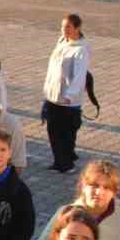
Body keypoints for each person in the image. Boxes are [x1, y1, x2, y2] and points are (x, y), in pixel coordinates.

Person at [42, 14, 91, 173]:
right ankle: (59, 161)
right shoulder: (62, 41)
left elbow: (79, 75)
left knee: (66, 133)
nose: (64, 30)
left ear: (77, 28)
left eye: (68, 27)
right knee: (53, 131)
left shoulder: (81, 49)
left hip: (67, 100)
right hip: (53, 96)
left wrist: (70, 95)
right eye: (63, 27)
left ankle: (67, 164)